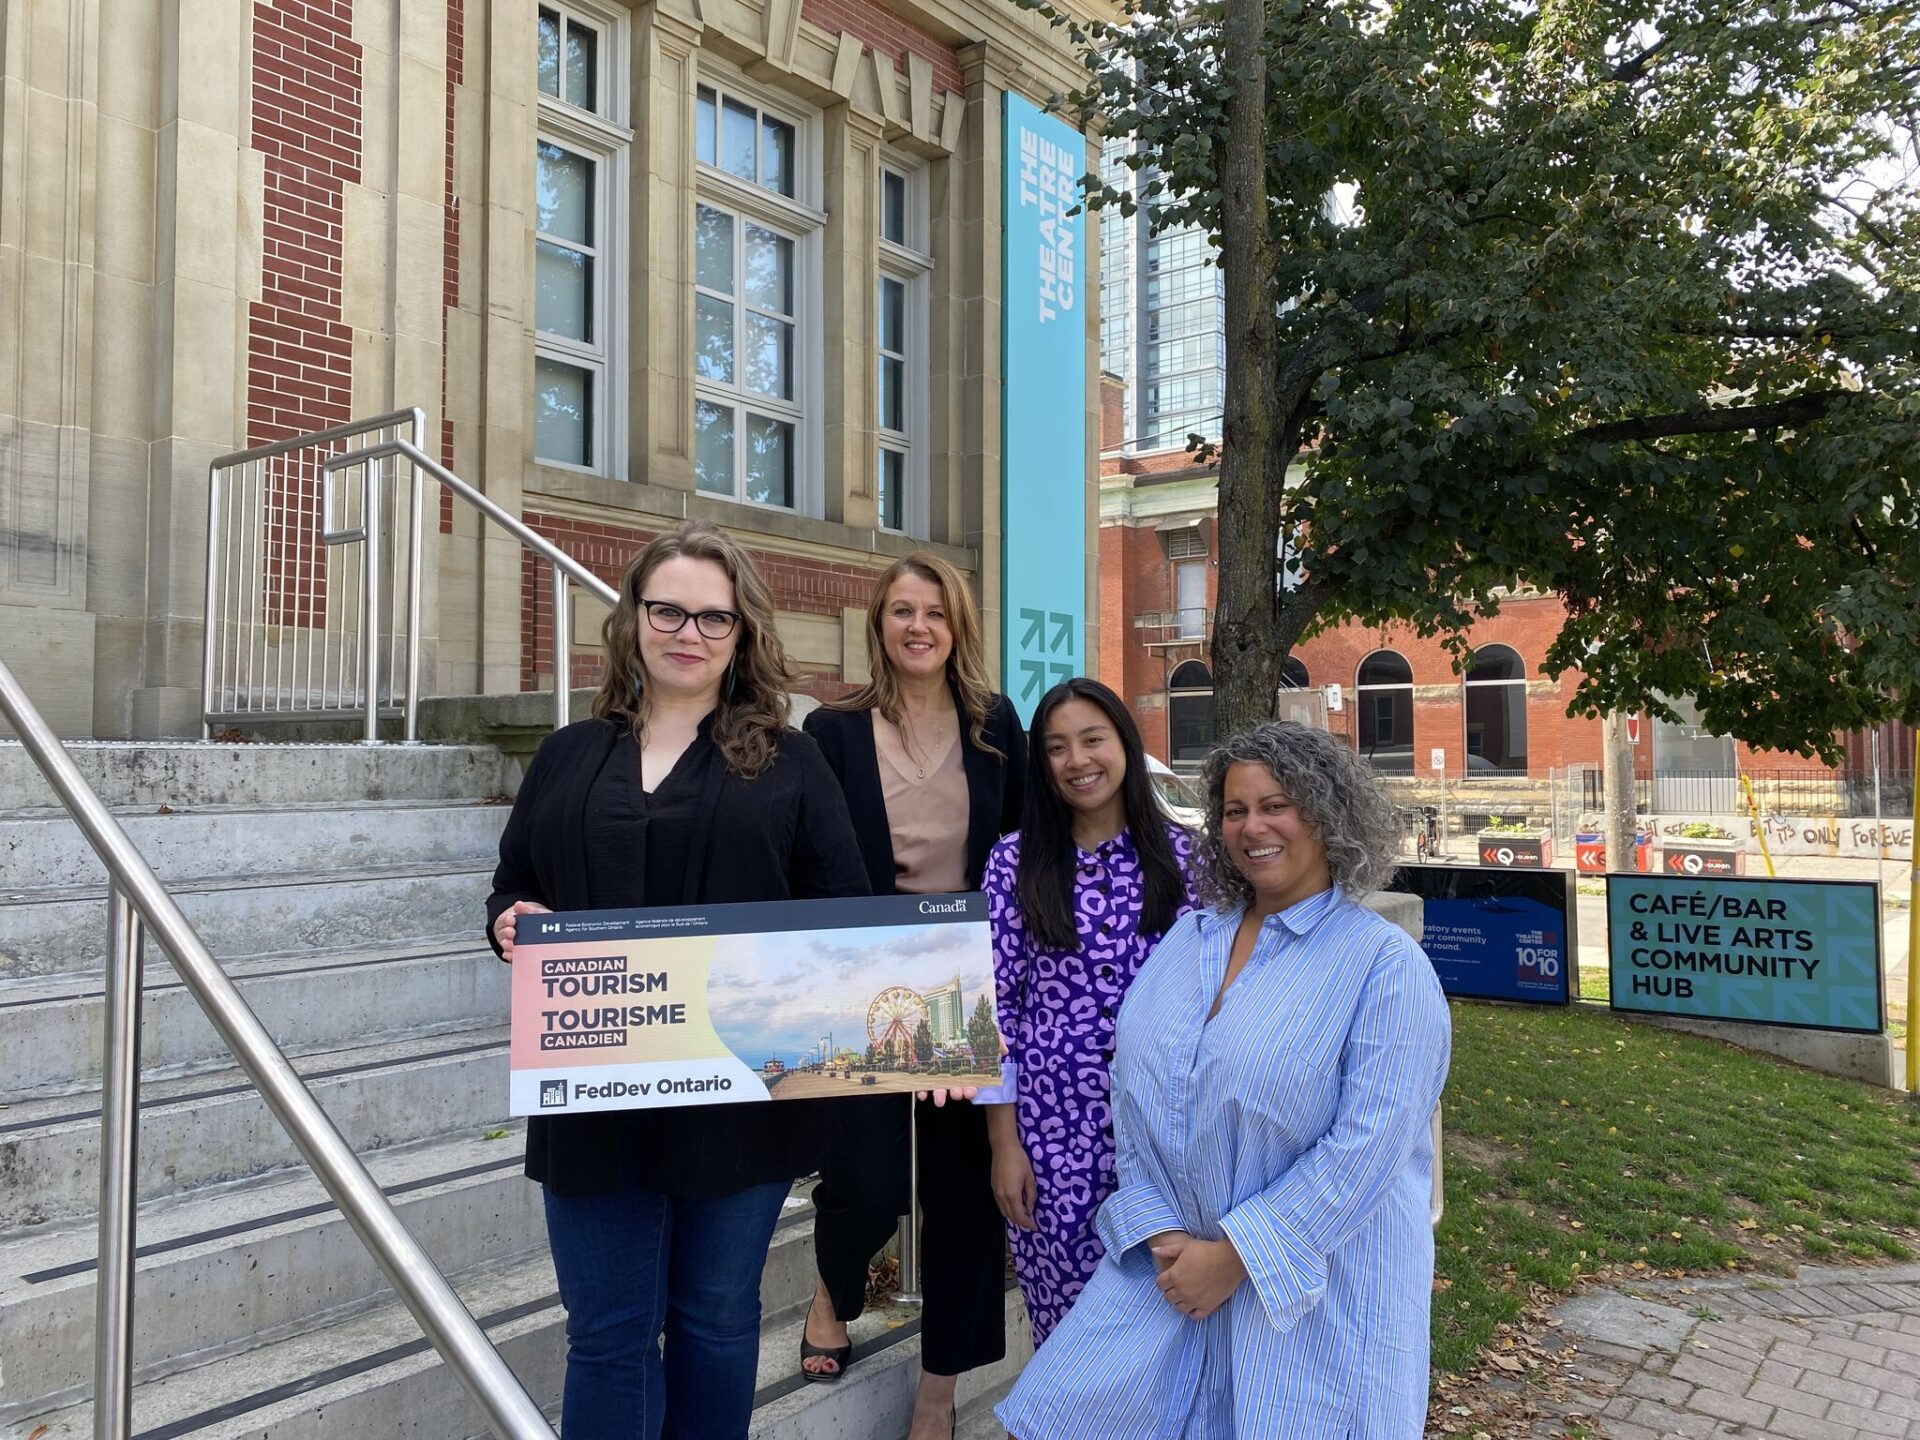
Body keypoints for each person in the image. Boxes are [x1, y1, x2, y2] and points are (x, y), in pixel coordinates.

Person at [486, 520, 868, 1440]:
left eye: (713, 618)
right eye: (668, 611)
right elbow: (516, 878)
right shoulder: (568, 755)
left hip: (739, 1099)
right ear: (633, 620)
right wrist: (512, 919)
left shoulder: (790, 759)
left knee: (714, 1319)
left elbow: (844, 915)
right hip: (593, 1092)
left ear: (742, 635)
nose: (687, 633)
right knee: (607, 1335)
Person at [997, 721, 1452, 1440]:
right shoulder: (1190, 939)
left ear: (1327, 816)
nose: (1252, 828)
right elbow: (1137, 1088)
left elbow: (1366, 1151)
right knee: (1063, 1411)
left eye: (1276, 806)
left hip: (1312, 1298)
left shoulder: (1383, 967)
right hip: (1175, 1274)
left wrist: (1236, 1257)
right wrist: (1160, 1229)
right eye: (1235, 811)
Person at [799, 552, 1026, 1440]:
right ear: (880, 625)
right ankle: (835, 1285)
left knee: (966, 1191)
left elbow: (1018, 845)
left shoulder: (995, 724)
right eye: (902, 610)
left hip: (967, 973)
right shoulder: (833, 729)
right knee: (863, 1179)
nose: (919, 626)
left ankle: (939, 1391)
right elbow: (805, 853)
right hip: (860, 974)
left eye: (935, 611)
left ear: (957, 625)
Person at [982, 677, 1199, 1346]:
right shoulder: (1013, 864)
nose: (1077, 760)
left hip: (1168, 1130)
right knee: (1070, 1332)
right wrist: (1003, 1144)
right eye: (1056, 747)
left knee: (1163, 1327)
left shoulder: (1188, 859)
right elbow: (992, 1018)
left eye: (1092, 739)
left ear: (1125, 746)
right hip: (1053, 1137)